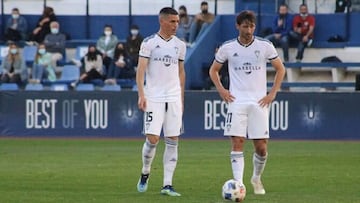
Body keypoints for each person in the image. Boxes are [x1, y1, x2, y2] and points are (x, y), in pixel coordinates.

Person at [209, 10, 285, 195]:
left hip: (259, 102)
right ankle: (238, 184)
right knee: (238, 142)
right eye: (245, 26)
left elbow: (280, 69)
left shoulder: (265, 45)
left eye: (251, 26)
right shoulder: (227, 47)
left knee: (261, 148)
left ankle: (256, 178)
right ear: (238, 26)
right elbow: (213, 70)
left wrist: (272, 93)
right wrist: (222, 90)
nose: (249, 30)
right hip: (237, 101)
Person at [136, 7, 186, 197]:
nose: (176, 25)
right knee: (153, 139)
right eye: (172, 21)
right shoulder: (149, 43)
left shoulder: (180, 45)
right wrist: (141, 94)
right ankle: (146, 171)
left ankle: (167, 184)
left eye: (177, 22)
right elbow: (141, 70)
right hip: (153, 97)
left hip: (173, 97)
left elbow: (181, 71)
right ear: (162, 21)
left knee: (173, 140)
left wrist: (181, 97)